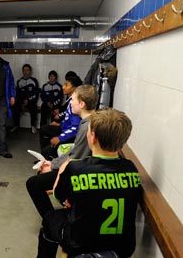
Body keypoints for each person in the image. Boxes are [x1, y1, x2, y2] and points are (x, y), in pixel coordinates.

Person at [37, 108, 141, 257]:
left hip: (81, 244)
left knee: (49, 220)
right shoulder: (131, 168)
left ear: (92, 138)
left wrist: (61, 172)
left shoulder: (75, 168)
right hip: (123, 248)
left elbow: (60, 197)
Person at [26, 85, 98, 219]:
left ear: (82, 104)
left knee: (33, 183)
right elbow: (74, 150)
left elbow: (75, 157)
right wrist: (52, 163)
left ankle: (51, 220)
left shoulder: (87, 127)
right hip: (79, 168)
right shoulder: (87, 122)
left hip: (79, 174)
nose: (70, 102)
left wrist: (52, 167)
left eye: (73, 100)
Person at [39, 74, 83, 159]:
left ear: (74, 88)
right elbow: (68, 119)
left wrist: (60, 138)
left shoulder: (75, 103)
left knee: (47, 150)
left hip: (69, 134)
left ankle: (48, 157)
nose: (63, 87)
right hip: (64, 128)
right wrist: (59, 124)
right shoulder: (70, 100)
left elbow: (75, 127)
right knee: (44, 129)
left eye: (66, 85)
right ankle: (45, 156)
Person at [12, 64, 40, 134]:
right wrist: (22, 100)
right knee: (14, 105)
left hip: (31, 101)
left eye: (27, 70)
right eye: (24, 70)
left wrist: (28, 99)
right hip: (22, 101)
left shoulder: (34, 80)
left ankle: (33, 126)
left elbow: (36, 93)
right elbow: (17, 94)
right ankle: (16, 125)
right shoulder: (19, 81)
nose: (25, 72)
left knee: (34, 106)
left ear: (30, 71)